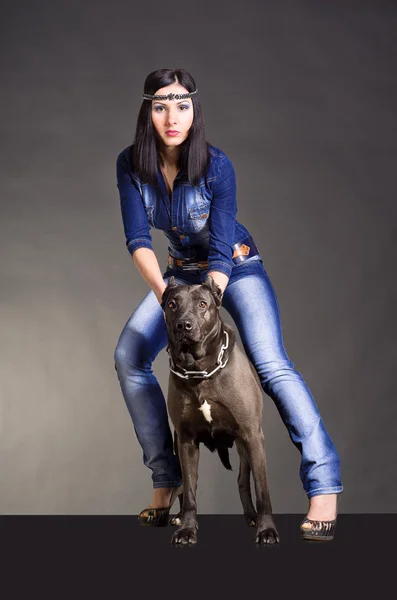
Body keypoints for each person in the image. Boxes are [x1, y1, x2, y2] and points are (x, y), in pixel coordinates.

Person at [114, 68, 343, 540]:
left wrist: (206, 303)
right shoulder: (130, 165)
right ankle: (167, 481)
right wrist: (170, 300)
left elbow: (219, 250)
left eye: (181, 105)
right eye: (160, 106)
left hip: (233, 266)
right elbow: (138, 238)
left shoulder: (217, 165)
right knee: (129, 357)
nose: (171, 117)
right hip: (177, 277)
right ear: (147, 112)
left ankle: (324, 486)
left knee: (270, 363)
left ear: (195, 111)